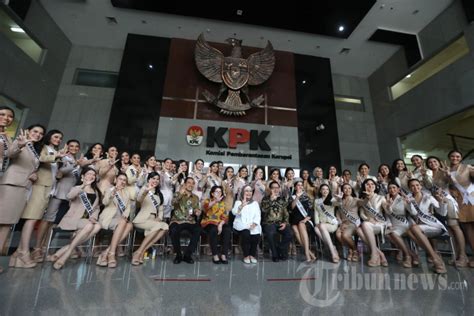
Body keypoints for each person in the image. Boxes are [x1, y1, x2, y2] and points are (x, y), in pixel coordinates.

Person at [16, 129, 67, 265]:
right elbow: (42, 159)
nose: (58, 139)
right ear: (49, 137)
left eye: (60, 138)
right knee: (32, 218)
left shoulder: (55, 151)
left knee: (36, 218)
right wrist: (57, 156)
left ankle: (20, 253)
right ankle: (23, 252)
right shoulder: (42, 147)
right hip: (39, 185)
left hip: (49, 187)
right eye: (56, 136)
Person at [0, 125, 44, 270]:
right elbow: (10, 153)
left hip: (23, 187)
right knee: (2, 221)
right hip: (12, 184)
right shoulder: (21, 142)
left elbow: (30, 167)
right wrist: (19, 144)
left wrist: (34, 175)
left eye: (40, 133)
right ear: (28, 131)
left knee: (7, 223)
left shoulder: (34, 150)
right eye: (35, 132)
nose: (38, 135)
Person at [46, 167, 102, 269]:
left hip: (86, 220)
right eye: (89, 174)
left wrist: (94, 217)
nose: (91, 176)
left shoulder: (96, 191)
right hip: (73, 219)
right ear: (83, 176)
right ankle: (65, 254)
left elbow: (97, 208)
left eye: (93, 175)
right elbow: (69, 196)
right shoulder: (77, 188)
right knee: (91, 226)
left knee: (97, 226)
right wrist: (83, 185)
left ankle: (63, 251)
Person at [405, 178, 448, 273]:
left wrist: (441, 201)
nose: (415, 187)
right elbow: (413, 212)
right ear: (409, 188)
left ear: (420, 186)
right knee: (409, 231)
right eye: (412, 186)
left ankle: (435, 259)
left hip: (433, 225)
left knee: (413, 228)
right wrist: (408, 204)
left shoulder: (428, 197)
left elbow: (442, 213)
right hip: (420, 227)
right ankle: (435, 256)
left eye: (417, 185)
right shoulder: (408, 199)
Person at [97, 173, 135, 268]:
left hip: (120, 219)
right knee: (123, 222)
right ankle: (111, 254)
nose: (122, 182)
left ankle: (107, 252)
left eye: (124, 180)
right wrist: (113, 192)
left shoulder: (127, 193)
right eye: (120, 179)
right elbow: (105, 202)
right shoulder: (109, 189)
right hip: (108, 218)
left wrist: (125, 215)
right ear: (116, 180)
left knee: (130, 225)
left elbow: (128, 208)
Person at [132, 172, 169, 265]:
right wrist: (146, 190)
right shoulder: (144, 189)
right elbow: (139, 200)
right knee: (157, 227)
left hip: (153, 220)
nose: (155, 181)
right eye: (153, 178)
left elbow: (160, 209)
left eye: (157, 179)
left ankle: (140, 251)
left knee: (165, 226)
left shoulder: (159, 194)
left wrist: (159, 218)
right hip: (141, 219)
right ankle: (139, 252)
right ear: (148, 179)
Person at [384, 182, 417, 268]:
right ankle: (412, 254)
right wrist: (389, 224)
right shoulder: (387, 200)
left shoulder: (403, 199)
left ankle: (407, 256)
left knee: (393, 234)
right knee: (387, 234)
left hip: (403, 224)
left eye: (394, 187)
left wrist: (409, 203)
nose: (392, 190)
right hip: (393, 224)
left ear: (398, 189)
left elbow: (414, 212)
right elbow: (387, 215)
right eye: (390, 188)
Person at [357, 178, 389, 267]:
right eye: (367, 184)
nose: (370, 186)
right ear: (364, 187)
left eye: (372, 184)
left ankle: (374, 255)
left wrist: (389, 206)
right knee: (359, 230)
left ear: (375, 186)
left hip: (380, 223)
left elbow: (388, 212)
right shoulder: (362, 199)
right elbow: (362, 214)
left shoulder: (381, 197)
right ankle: (380, 254)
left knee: (364, 225)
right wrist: (367, 219)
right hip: (369, 223)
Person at [170, 177, 201, 264]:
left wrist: (197, 211)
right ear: (184, 184)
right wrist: (180, 194)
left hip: (190, 221)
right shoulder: (177, 194)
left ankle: (188, 255)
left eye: (192, 183)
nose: (190, 185)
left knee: (198, 230)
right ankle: (178, 255)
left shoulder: (195, 197)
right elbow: (173, 203)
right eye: (188, 183)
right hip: (177, 220)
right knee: (174, 230)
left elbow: (196, 209)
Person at [260, 181, 292, 262]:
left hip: (280, 222)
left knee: (289, 234)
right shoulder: (265, 199)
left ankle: (279, 248)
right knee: (271, 234)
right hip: (269, 223)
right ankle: (275, 255)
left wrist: (285, 222)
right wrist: (271, 200)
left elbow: (286, 213)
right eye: (273, 188)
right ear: (270, 189)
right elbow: (264, 210)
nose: (276, 189)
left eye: (277, 188)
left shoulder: (282, 199)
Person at [201, 185, 233, 264]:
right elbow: (205, 208)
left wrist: (221, 224)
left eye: (220, 192)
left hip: (220, 222)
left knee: (227, 230)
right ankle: (215, 254)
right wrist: (215, 201)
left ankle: (223, 254)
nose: (218, 193)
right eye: (216, 192)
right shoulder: (208, 201)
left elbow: (225, 216)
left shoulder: (223, 203)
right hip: (209, 222)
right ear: (212, 193)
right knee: (213, 230)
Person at [232, 185, 261, 264]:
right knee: (246, 233)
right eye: (246, 191)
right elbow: (234, 213)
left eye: (250, 191)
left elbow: (258, 215)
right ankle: (246, 255)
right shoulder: (238, 202)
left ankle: (252, 255)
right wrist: (241, 206)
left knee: (256, 235)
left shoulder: (255, 203)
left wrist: (255, 224)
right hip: (241, 224)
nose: (248, 193)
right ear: (242, 192)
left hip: (252, 224)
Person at [289, 180, 316, 262]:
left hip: (305, 220)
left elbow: (311, 210)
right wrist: (297, 197)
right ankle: (310, 253)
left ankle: (307, 254)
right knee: (295, 230)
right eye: (298, 185)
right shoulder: (291, 197)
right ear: (295, 187)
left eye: (301, 185)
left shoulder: (307, 197)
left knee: (301, 224)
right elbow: (291, 208)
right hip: (294, 220)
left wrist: (306, 219)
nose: (300, 186)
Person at [334, 183, 360, 262]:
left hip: (353, 223)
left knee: (345, 235)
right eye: (345, 188)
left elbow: (364, 203)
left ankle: (355, 250)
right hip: (343, 223)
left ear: (351, 190)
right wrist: (341, 223)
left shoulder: (355, 199)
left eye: (349, 188)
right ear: (342, 190)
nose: (347, 190)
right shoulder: (340, 200)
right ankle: (350, 250)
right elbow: (338, 213)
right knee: (338, 234)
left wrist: (368, 198)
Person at [314, 184, 340, 263]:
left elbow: (339, 204)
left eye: (327, 189)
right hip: (322, 224)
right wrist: (316, 223)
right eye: (323, 189)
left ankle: (332, 252)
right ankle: (332, 246)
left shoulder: (332, 200)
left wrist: (339, 199)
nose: (325, 191)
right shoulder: (317, 201)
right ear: (320, 191)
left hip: (332, 223)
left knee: (321, 226)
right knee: (316, 228)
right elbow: (316, 213)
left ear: (329, 191)